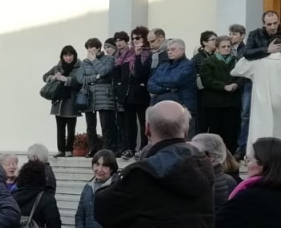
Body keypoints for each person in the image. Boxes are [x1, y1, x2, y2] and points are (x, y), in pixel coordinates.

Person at [231, 34, 281, 158]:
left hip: (261, 104)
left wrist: (262, 51)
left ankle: (261, 153)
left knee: (263, 129)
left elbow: (237, 69)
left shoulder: (258, 62)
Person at [198, 36, 240, 154]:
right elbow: (206, 80)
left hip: (231, 103)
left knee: (231, 133)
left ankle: (230, 157)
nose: (226, 49)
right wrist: (223, 86)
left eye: (228, 46)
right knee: (215, 133)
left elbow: (242, 76)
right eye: (223, 46)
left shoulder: (236, 61)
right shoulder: (208, 62)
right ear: (217, 48)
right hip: (214, 104)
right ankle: (215, 156)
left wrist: (236, 84)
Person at [79, 37, 119, 155]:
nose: (89, 50)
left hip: (104, 94)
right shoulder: (84, 62)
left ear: (98, 48)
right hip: (89, 95)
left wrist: (94, 60)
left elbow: (104, 72)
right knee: (90, 125)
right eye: (88, 48)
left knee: (106, 124)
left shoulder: (109, 59)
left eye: (92, 47)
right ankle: (92, 149)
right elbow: (80, 78)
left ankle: (107, 149)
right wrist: (95, 77)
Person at [118, 26, 154, 158]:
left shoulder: (148, 54)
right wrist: (119, 87)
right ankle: (129, 148)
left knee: (143, 122)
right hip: (127, 94)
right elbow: (119, 71)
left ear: (144, 38)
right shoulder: (127, 54)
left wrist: (138, 55)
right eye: (133, 38)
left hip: (141, 93)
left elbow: (140, 73)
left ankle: (143, 148)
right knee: (129, 123)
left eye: (137, 38)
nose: (134, 40)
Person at [43, 45, 84, 157]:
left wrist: (66, 79)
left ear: (74, 55)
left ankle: (69, 150)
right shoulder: (58, 67)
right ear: (62, 56)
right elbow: (45, 76)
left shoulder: (79, 67)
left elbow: (79, 82)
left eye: (70, 55)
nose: (68, 58)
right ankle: (61, 150)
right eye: (65, 55)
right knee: (60, 128)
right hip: (59, 102)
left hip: (71, 101)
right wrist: (53, 78)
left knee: (71, 128)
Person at [148, 39, 199, 128]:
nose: (169, 52)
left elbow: (175, 81)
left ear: (182, 50)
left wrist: (159, 81)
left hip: (182, 107)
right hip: (160, 107)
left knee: (183, 135)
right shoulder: (163, 65)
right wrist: (166, 88)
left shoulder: (188, 65)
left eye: (173, 49)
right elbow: (150, 85)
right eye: (168, 50)